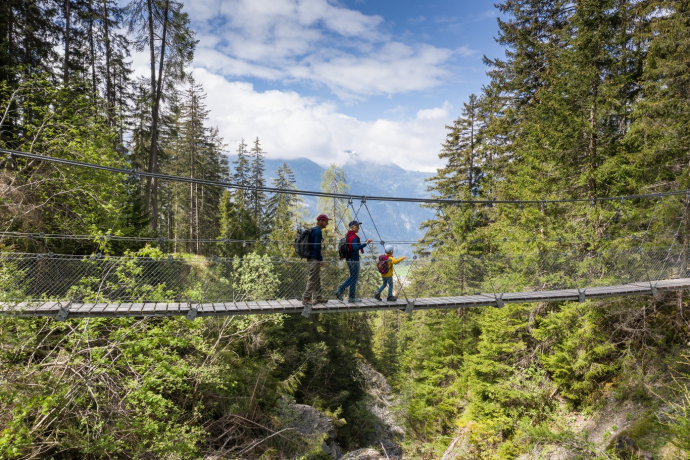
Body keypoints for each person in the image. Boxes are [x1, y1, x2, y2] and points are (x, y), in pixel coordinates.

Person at [335, 220, 373, 303]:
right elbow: (355, 248)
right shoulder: (354, 237)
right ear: (352, 228)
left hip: (349, 259)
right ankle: (351, 297)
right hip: (354, 260)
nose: (358, 227)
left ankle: (340, 290)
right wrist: (366, 243)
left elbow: (349, 248)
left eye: (358, 226)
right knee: (354, 278)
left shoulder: (348, 236)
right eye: (356, 226)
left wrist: (344, 256)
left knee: (352, 277)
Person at [302, 214, 331, 306]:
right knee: (312, 278)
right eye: (326, 221)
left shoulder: (313, 230)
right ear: (321, 221)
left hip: (310, 257)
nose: (327, 223)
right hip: (314, 258)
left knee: (316, 278)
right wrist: (320, 259)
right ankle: (306, 298)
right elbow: (316, 246)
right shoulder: (318, 231)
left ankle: (318, 297)